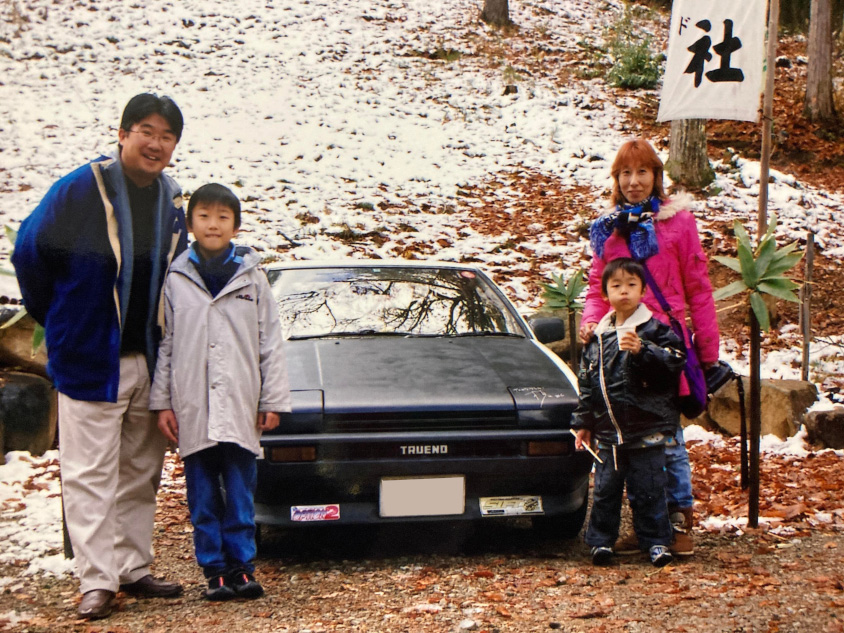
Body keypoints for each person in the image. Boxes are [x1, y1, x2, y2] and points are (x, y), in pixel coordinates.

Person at [12, 94, 188, 619]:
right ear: (122, 133)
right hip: (91, 356)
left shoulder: (170, 200)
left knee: (140, 468)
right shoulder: (80, 190)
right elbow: (28, 251)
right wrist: (61, 319)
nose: (155, 144)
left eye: (167, 136)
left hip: (146, 358)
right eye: (146, 131)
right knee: (89, 473)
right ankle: (97, 580)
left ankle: (132, 567)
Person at [579, 138, 720, 558]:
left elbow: (699, 286)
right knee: (627, 435)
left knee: (669, 437)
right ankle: (647, 526)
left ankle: (677, 521)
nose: (634, 181)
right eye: (625, 173)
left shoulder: (679, 223)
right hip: (618, 345)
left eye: (642, 172)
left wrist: (707, 353)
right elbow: (595, 287)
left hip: (664, 342)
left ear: (657, 176)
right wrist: (591, 321)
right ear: (616, 180)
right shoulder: (608, 229)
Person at [149, 183, 291, 601]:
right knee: (204, 495)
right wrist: (162, 403)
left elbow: (270, 341)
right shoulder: (177, 277)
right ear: (191, 223)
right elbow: (168, 344)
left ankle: (243, 568)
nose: (213, 224)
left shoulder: (252, 276)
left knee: (240, 491)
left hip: (241, 402)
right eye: (205, 216)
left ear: (236, 225)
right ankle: (214, 571)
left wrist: (273, 400)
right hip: (193, 404)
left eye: (223, 217)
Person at [573, 258, 686, 568]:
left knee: (649, 489)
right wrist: (583, 423)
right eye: (616, 286)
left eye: (632, 285)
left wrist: (644, 350)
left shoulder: (654, 329)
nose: (624, 292)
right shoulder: (598, 337)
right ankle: (600, 542)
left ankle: (657, 542)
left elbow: (676, 361)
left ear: (643, 291)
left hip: (647, 428)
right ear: (606, 293)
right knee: (606, 489)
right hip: (609, 432)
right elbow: (587, 384)